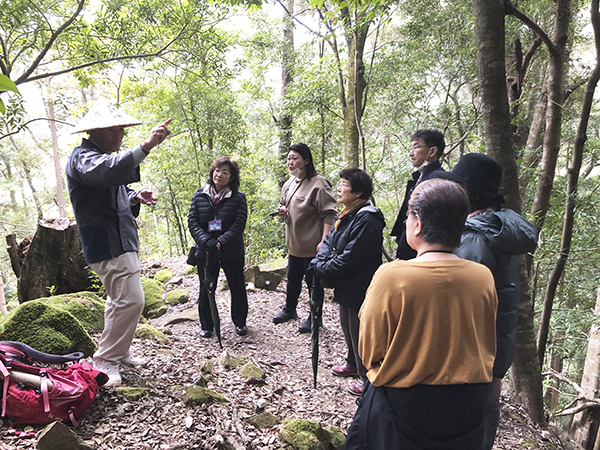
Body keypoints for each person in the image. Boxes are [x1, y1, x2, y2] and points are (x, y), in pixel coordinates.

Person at [344, 179, 498, 450]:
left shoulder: (392, 276)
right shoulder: (482, 277)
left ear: (417, 224)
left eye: (407, 217)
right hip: (469, 409)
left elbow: (369, 353)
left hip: (403, 407)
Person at [65, 101, 171, 387]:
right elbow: (107, 171)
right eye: (113, 129)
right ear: (95, 132)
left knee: (119, 300)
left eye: (122, 129)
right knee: (131, 300)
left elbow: (116, 188)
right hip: (106, 242)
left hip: (122, 240)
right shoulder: (83, 158)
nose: (120, 134)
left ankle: (119, 352)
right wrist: (146, 145)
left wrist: (134, 197)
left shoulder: (99, 157)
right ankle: (105, 360)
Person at [437, 153, 538, 450]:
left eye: (457, 185)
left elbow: (454, 300)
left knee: (467, 423)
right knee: (483, 414)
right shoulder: (495, 227)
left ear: (470, 192)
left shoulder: (476, 239)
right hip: (491, 348)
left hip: (472, 352)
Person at [307, 168, 385, 397]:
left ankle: (366, 377)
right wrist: (318, 264)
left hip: (359, 283)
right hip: (345, 283)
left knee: (360, 330)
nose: (339, 189)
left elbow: (350, 258)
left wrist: (320, 268)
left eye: (344, 185)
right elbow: (328, 244)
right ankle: (352, 362)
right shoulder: (347, 214)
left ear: (358, 191)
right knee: (347, 325)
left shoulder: (367, 218)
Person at [272, 143, 337, 333]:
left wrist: (324, 241)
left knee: (313, 283)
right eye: (288, 159)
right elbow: (285, 204)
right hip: (294, 244)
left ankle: (315, 318)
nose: (290, 163)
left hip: (313, 246)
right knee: (292, 279)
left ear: (306, 161)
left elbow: (329, 214)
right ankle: (289, 310)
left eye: (294, 158)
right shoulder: (289, 183)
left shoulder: (319, 183)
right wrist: (283, 211)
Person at [188, 157, 249, 338]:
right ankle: (207, 324)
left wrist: (221, 241)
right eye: (217, 170)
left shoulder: (238, 197)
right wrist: (205, 241)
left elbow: (239, 224)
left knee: (236, 286)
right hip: (205, 251)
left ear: (231, 177)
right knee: (206, 287)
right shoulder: (200, 194)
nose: (219, 174)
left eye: (225, 172)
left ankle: (240, 322)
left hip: (232, 251)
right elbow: (192, 221)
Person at [390, 129, 446, 260]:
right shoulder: (419, 179)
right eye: (411, 148)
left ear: (432, 151)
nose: (411, 153)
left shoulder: (436, 181)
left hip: (422, 252)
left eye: (416, 147)